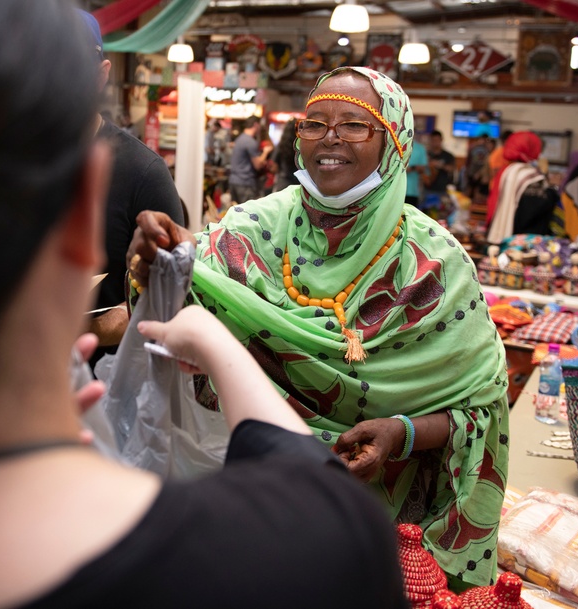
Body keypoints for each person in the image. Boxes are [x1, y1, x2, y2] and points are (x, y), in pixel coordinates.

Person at [0, 2, 409, 608]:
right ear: (85, 206)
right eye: (318, 124)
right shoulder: (292, 559)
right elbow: (314, 487)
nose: (330, 141)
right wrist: (211, 338)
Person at [128, 66, 510, 591]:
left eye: (355, 125)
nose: (329, 139)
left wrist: (401, 434)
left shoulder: (434, 264)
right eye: (314, 124)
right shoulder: (252, 229)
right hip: (249, 506)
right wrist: (157, 267)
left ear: (394, 140)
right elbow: (177, 317)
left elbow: (481, 408)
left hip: (376, 524)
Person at [79, 10, 185, 366]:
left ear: (101, 74)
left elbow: (173, 297)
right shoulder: (4, 159)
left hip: (102, 385)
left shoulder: (143, 172)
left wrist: (80, 331)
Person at [485, 131, 558, 243]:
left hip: (503, 232)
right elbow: (537, 207)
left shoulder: (508, 170)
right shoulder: (529, 175)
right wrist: (551, 187)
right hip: (522, 237)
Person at [228, 116, 273, 204]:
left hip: (234, 181)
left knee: (236, 212)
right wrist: (265, 152)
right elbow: (258, 165)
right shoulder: (250, 142)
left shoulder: (240, 139)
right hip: (245, 183)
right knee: (247, 214)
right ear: (256, 125)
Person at [271, 119, 301, 193]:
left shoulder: (281, 145)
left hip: (284, 182)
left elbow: (273, 166)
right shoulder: (301, 146)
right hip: (299, 182)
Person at [405, 139, 429, 206]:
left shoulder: (420, 148)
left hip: (413, 191)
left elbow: (423, 168)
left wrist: (412, 168)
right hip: (396, 191)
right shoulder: (397, 145)